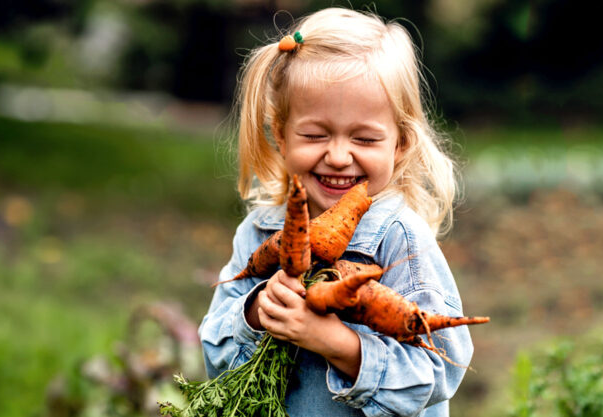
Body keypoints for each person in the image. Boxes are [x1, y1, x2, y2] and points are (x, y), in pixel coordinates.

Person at [199, 7, 474, 417]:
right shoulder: (259, 232)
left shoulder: (399, 238)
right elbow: (213, 353)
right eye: (315, 135)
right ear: (281, 134)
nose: (339, 156)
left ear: (399, 145)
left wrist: (333, 341)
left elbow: (441, 370)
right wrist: (257, 313)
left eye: (364, 138)